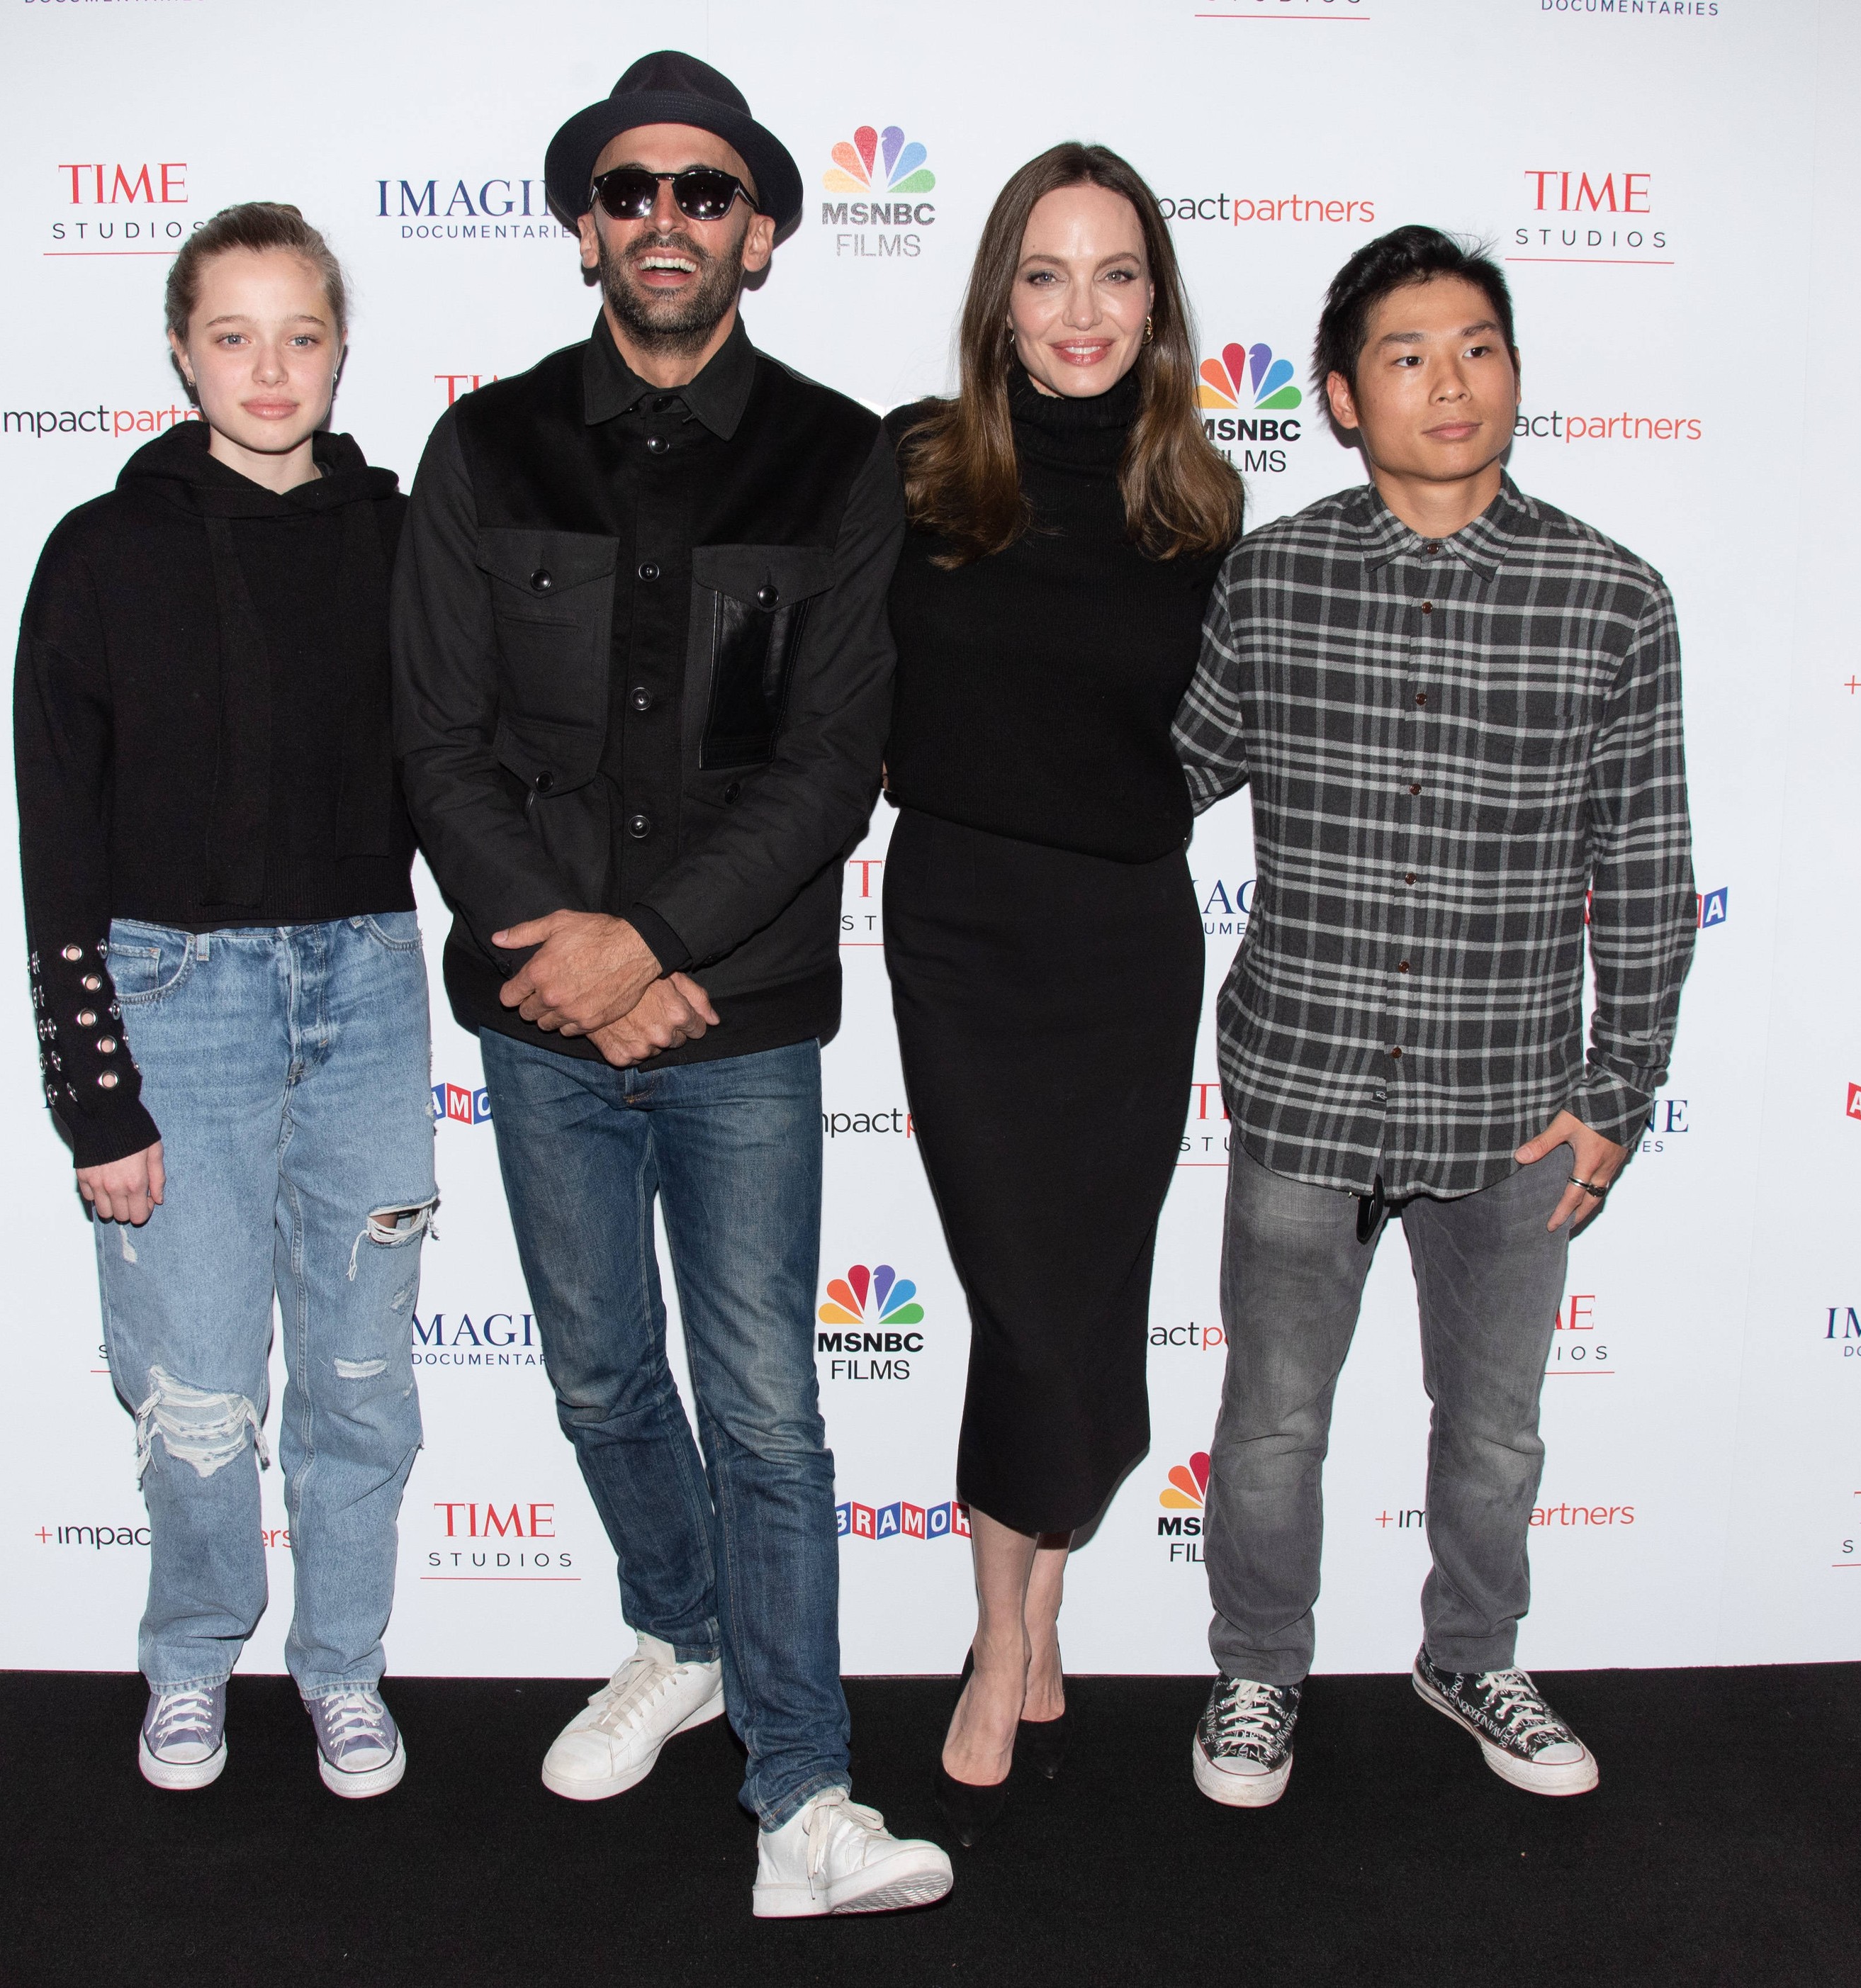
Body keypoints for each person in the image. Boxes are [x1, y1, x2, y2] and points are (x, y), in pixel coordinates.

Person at [395, 51, 951, 1917]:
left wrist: (653, 942)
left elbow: (832, 761)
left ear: (757, 234)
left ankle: (802, 1793)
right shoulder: (481, 452)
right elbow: (438, 744)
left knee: (767, 1405)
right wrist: (576, 954)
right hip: (542, 1013)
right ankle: (680, 1628)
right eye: (628, 188)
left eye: (703, 191)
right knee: (598, 1371)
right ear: (585, 228)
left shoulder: (836, 457)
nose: (664, 218)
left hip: (736, 1015)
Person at [1174, 225, 1694, 1806]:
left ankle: (1471, 1652)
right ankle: (1257, 1670)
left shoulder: (1611, 599)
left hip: (1514, 1105)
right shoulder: (1271, 577)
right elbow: (1156, 782)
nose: (1449, 381)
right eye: (1405, 356)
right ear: (1341, 397)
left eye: (1477, 347)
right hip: (1304, 1083)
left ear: (1514, 372)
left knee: (1494, 1432)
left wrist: (1619, 1089)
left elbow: (1647, 866)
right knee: (1270, 1424)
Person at [13, 202, 434, 1800]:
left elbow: (470, 766)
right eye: (235, 335)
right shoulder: (100, 551)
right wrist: (93, 1092)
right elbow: (58, 834)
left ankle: (344, 1665)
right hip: (172, 997)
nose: (270, 368)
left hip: (368, 986)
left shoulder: (406, 540)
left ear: (341, 349)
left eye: (301, 334)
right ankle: (191, 1653)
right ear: (182, 353)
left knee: (360, 1379)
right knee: (194, 1385)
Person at [879, 143, 1239, 1843]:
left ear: (1153, 301)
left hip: (1122, 942)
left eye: (1112, 274)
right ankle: (1003, 1621)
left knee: (1084, 1295)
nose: (1078, 309)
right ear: (998, 300)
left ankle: (1020, 1615)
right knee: (1020, 1296)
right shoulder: (914, 469)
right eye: (1044, 273)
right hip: (958, 928)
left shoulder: (1199, 507)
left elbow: (1227, 738)